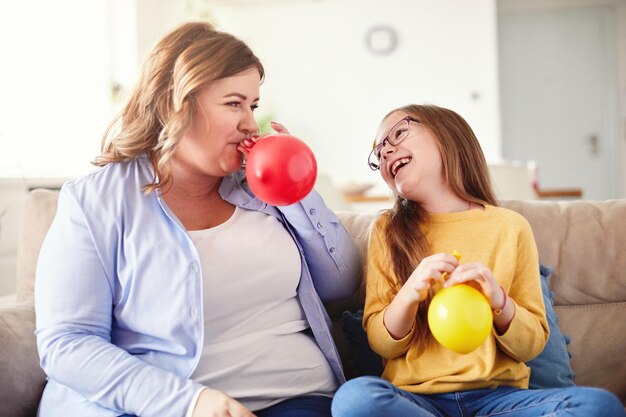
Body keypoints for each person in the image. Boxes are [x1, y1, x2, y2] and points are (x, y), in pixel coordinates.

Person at [34, 22, 360, 417]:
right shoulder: (95, 202)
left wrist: (296, 189)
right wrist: (190, 402)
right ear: (176, 102)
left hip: (298, 396)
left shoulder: (263, 189)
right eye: (234, 103)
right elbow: (68, 343)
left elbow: (341, 283)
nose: (249, 124)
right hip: (165, 406)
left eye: (252, 106)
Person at [330, 104, 625, 417]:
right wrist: (411, 292)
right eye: (378, 153)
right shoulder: (388, 231)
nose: (386, 152)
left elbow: (531, 344)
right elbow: (381, 342)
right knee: (354, 399)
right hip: (417, 402)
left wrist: (498, 300)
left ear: (449, 135)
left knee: (599, 406)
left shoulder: (509, 227)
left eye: (398, 133)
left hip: (499, 400)